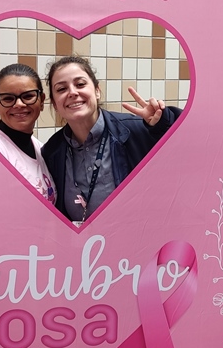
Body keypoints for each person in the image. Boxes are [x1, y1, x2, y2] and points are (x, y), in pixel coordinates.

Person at [42, 55, 181, 224]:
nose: (72, 92)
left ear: (97, 91)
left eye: (80, 84)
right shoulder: (52, 152)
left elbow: (190, 142)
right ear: (55, 104)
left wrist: (162, 123)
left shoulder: (136, 131)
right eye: (61, 89)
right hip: (84, 241)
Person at [0, 64, 56, 203]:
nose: (19, 104)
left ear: (42, 100)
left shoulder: (40, 149)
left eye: (28, 96)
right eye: (8, 98)